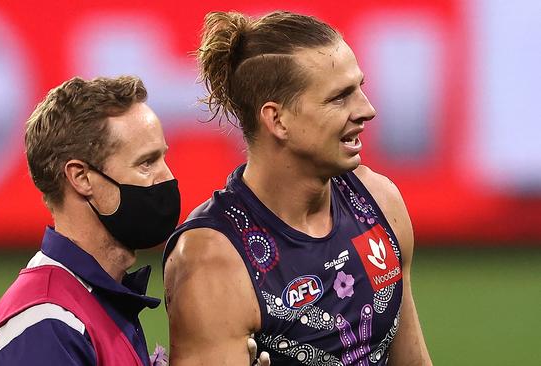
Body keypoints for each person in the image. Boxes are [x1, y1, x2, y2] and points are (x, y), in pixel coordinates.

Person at [163, 10, 433, 366]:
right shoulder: (211, 261)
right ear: (277, 120)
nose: (366, 110)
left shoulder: (380, 202)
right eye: (340, 97)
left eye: (360, 88)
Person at [0, 75, 270, 366]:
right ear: (81, 177)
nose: (167, 177)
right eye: (146, 163)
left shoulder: (96, 303)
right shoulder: (46, 326)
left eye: (162, 158)